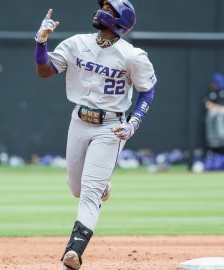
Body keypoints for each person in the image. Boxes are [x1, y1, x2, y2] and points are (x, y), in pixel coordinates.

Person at [33, 1, 157, 269]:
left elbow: (147, 91)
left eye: (109, 10)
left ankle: (74, 251)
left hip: (110, 127)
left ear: (120, 21)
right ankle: (103, 187)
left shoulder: (132, 56)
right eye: (103, 7)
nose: (101, 11)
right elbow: (44, 72)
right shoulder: (77, 43)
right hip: (79, 121)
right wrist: (41, 43)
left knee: (89, 192)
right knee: (76, 188)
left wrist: (134, 123)